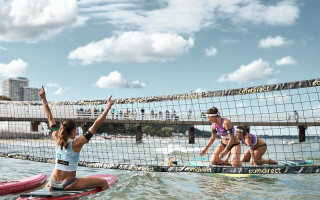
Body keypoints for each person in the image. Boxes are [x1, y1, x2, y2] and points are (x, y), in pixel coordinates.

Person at [39, 86, 114, 191]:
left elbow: (49, 117)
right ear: (74, 131)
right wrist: (107, 108)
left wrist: (43, 99)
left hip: (52, 182)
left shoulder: (57, 138)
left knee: (51, 182)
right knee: (104, 183)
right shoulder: (76, 143)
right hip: (68, 185)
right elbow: (95, 125)